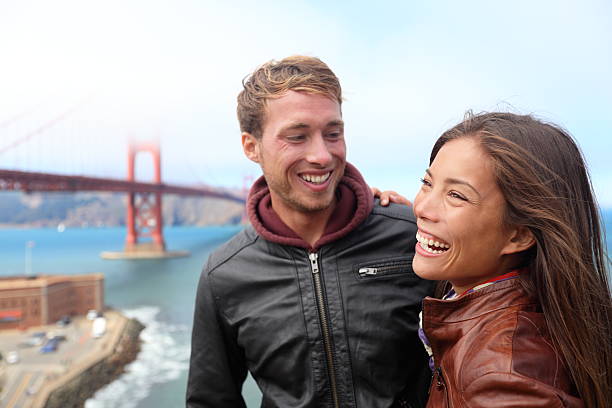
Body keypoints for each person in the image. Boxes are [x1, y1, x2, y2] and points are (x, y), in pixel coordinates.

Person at [187, 56, 435, 408]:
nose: (322, 155)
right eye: (297, 136)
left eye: (333, 133)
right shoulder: (223, 274)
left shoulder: (410, 236)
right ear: (250, 146)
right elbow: (211, 400)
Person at [413, 112, 611, 407]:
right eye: (427, 183)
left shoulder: (504, 379)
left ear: (518, 235)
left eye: (456, 195)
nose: (421, 208)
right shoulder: (533, 308)